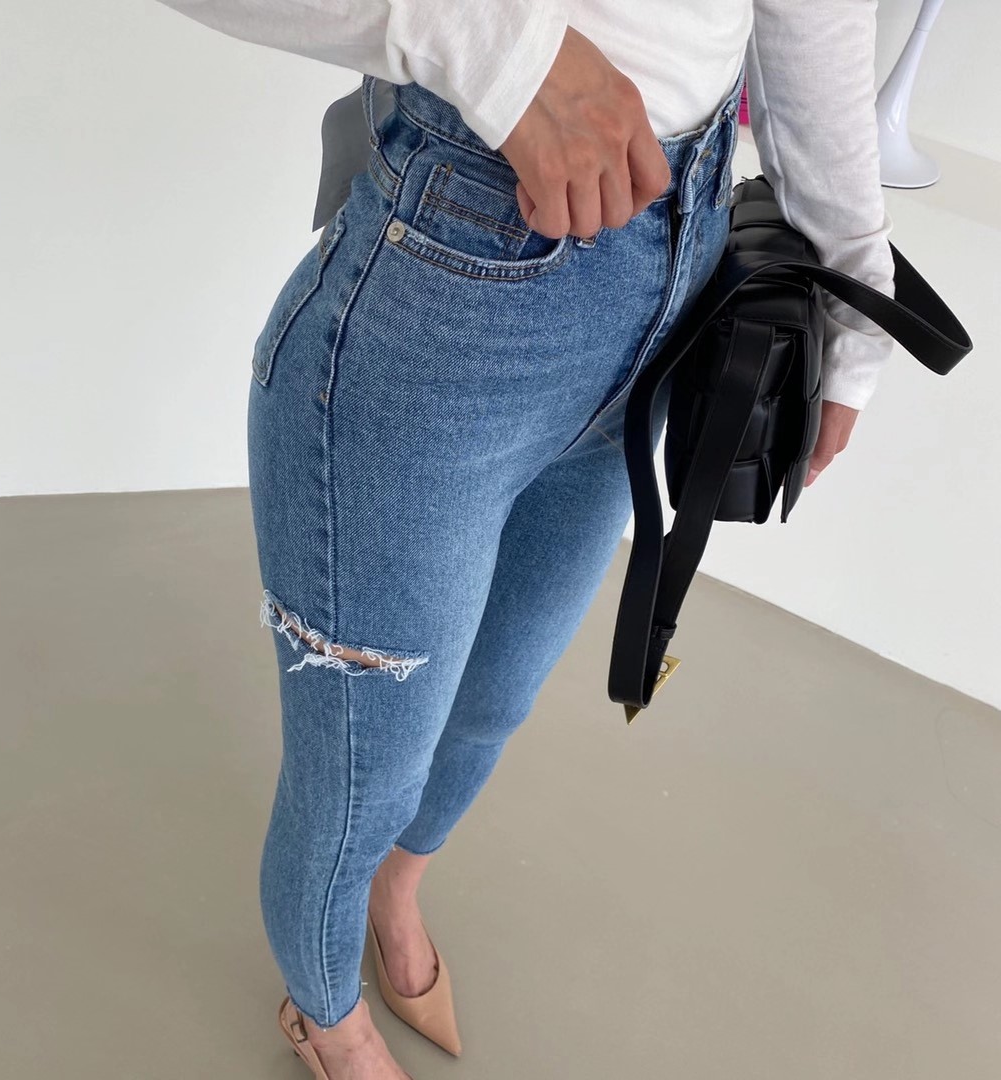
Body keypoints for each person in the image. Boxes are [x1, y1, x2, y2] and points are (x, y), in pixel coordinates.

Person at [156, 3, 896, 1077]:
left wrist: (858, 300)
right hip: (450, 292)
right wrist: (504, 53)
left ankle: (398, 892)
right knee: (361, 773)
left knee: (493, 698)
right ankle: (326, 1014)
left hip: (676, 277)